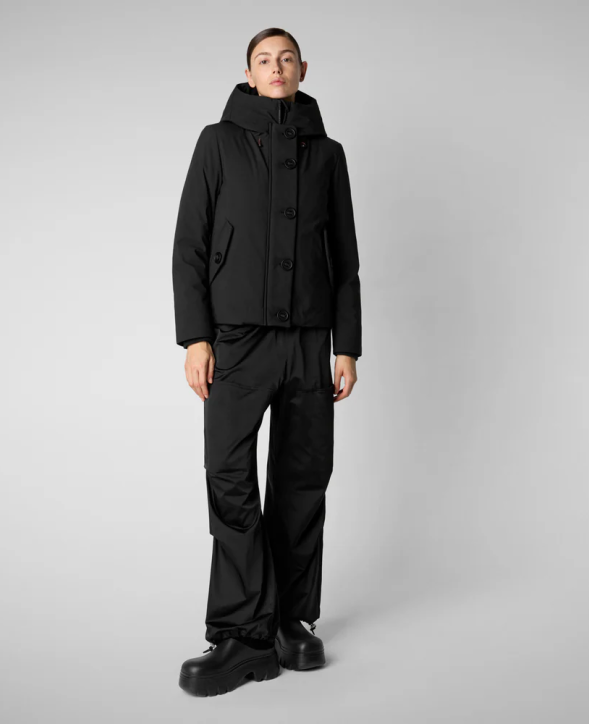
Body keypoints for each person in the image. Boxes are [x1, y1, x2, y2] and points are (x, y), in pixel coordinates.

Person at [173, 27, 362, 697]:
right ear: (249, 73)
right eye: (264, 59)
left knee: (303, 478)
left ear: (303, 69)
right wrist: (197, 338)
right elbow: (190, 244)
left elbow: (345, 257)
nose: (276, 68)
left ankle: (288, 621)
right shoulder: (217, 143)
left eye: (286, 59)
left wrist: (346, 345)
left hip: (310, 339)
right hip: (237, 340)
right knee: (229, 477)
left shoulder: (328, 155)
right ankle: (239, 633)